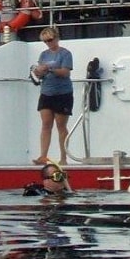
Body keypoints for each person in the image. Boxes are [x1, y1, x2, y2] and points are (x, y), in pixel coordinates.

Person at [31, 26, 74, 166]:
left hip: (62, 93)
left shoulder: (65, 53)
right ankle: (43, 156)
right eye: (45, 41)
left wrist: (49, 69)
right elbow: (39, 73)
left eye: (50, 40)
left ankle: (63, 157)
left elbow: (65, 72)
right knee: (46, 124)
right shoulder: (43, 55)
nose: (48, 43)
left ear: (56, 38)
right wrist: (38, 72)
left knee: (61, 126)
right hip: (46, 92)